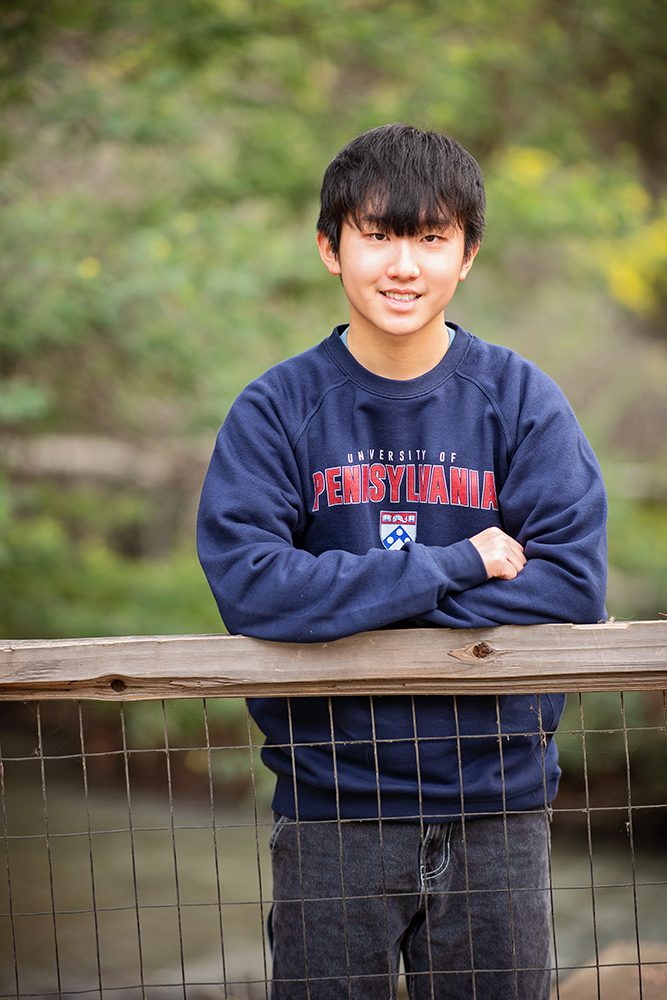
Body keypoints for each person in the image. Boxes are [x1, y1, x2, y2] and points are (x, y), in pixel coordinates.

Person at [197, 124, 607, 1000]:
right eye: (378, 235)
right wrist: (456, 563)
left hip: (497, 804)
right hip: (331, 808)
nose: (402, 265)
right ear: (329, 247)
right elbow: (252, 588)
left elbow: (573, 585)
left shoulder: (520, 402)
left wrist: (346, 605)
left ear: (467, 256)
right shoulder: (277, 409)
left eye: (430, 238)